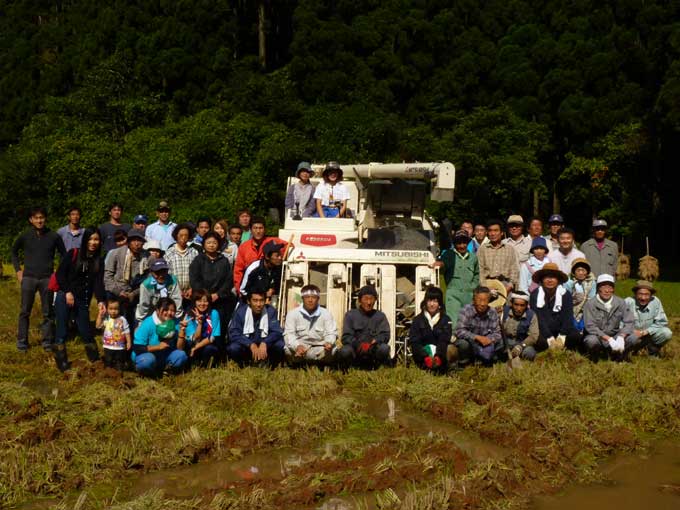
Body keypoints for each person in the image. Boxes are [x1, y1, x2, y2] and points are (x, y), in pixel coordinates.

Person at [12, 207, 66, 352]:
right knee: (25, 311)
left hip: (47, 279)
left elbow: (64, 255)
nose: (39, 220)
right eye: (36, 218)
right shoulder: (25, 236)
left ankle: (47, 342)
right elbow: (14, 252)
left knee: (48, 312)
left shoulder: (53, 236)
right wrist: (18, 270)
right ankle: (22, 342)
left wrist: (58, 273)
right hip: (28, 277)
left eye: (41, 217)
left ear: (45, 219)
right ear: (31, 220)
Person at [52, 228, 107, 370]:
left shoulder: (99, 261)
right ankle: (62, 363)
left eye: (96, 239)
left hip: (82, 300)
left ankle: (95, 361)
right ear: (85, 240)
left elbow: (98, 283)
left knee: (86, 331)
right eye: (90, 239)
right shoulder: (73, 254)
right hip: (65, 296)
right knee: (62, 330)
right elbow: (60, 275)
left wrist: (101, 300)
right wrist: (68, 292)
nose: (93, 242)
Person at [529, 263, 581, 353]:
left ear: (558, 280)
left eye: (553, 277)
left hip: (561, 329)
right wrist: (550, 338)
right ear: (541, 280)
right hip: (543, 330)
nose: (550, 280)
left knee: (575, 336)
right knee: (539, 341)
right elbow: (538, 319)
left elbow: (568, 317)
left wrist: (562, 336)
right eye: (546, 277)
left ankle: (565, 350)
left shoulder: (565, 294)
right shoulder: (535, 295)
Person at [227, 286, 284, 367]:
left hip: (264, 346)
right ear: (248, 301)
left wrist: (265, 343)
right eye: (255, 301)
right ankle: (245, 363)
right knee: (233, 348)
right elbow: (234, 333)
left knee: (280, 344)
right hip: (247, 346)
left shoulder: (270, 311)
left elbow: (277, 331)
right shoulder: (240, 312)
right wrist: (250, 344)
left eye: (261, 301)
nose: (258, 304)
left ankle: (269, 364)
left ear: (265, 301)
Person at [189, 231, 235, 333]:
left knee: (219, 330)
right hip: (202, 301)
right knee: (202, 328)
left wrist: (218, 294)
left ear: (218, 244)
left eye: (214, 242)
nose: (211, 245)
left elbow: (229, 280)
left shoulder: (224, 261)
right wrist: (205, 296)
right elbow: (194, 279)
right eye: (208, 242)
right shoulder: (198, 260)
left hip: (220, 301)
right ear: (204, 244)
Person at [583, 274, 635, 361]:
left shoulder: (620, 302)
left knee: (633, 338)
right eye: (603, 287)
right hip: (598, 337)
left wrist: (621, 337)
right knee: (591, 341)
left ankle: (620, 355)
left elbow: (629, 321)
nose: (607, 290)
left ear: (613, 289)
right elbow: (590, 326)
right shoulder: (590, 304)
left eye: (610, 287)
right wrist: (608, 339)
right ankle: (595, 356)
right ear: (598, 288)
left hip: (615, 335)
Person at [104, 228, 149, 327]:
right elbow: (108, 277)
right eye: (133, 240)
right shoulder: (116, 253)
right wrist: (119, 292)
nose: (136, 244)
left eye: (139, 241)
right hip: (116, 292)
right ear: (128, 242)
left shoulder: (147, 256)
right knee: (115, 323)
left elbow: (148, 280)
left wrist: (134, 293)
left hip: (136, 293)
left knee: (133, 322)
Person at [338, 286, 392, 368]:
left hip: (373, 349)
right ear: (359, 300)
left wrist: (376, 341)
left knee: (384, 348)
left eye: (372, 299)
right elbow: (346, 337)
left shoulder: (380, 316)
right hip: (356, 349)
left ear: (375, 300)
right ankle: (350, 368)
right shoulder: (350, 315)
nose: (369, 302)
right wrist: (358, 344)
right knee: (345, 351)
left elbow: (385, 334)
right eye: (366, 299)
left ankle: (378, 367)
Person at [132, 298, 189, 376]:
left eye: (172, 310)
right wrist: (158, 347)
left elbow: (180, 348)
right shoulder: (148, 323)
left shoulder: (176, 323)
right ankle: (148, 373)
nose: (169, 313)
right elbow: (137, 347)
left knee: (181, 355)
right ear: (158, 310)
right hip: (146, 354)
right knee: (147, 361)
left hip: (165, 355)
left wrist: (182, 331)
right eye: (165, 309)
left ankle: (166, 370)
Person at [283, 284, 338, 366]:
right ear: (302, 298)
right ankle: (299, 364)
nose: (310, 300)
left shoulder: (326, 314)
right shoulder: (292, 314)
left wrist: (328, 342)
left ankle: (320, 364)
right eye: (307, 297)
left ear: (318, 299)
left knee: (333, 350)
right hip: (300, 347)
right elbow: (289, 334)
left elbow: (331, 333)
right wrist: (297, 346)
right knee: (287, 349)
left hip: (319, 347)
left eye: (314, 297)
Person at [233, 217, 288, 294]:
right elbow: (238, 270)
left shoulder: (272, 242)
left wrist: (278, 255)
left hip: (269, 287)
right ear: (251, 230)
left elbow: (289, 246)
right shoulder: (244, 247)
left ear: (265, 229)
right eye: (255, 228)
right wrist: (239, 290)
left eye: (260, 228)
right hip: (250, 288)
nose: (258, 231)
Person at [435, 230, 479, 324]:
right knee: (453, 322)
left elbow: (476, 274)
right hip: (453, 295)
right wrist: (439, 264)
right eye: (459, 243)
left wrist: (473, 287)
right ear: (454, 243)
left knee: (468, 322)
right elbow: (444, 263)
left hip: (469, 295)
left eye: (464, 242)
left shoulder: (473, 257)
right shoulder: (449, 254)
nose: (462, 246)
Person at [453, 286, 502, 366]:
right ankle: (464, 364)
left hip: (486, 343)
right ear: (473, 300)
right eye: (479, 300)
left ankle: (488, 361)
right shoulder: (466, 310)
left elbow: (497, 333)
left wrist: (489, 339)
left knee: (500, 343)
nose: (482, 304)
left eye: (485, 300)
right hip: (471, 342)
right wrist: (477, 337)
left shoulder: (492, 312)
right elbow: (459, 331)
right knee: (463, 344)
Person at [409, 286, 454, 373]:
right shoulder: (417, 320)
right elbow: (415, 342)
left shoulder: (446, 320)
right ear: (425, 302)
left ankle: (447, 370)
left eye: (435, 301)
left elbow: (443, 340)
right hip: (423, 357)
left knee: (451, 349)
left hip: (440, 356)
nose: (432, 304)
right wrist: (425, 357)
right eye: (429, 301)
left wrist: (438, 356)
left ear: (440, 304)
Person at [625, 280, 673, 357]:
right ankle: (628, 353)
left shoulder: (656, 301)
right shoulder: (628, 302)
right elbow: (619, 322)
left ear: (651, 295)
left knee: (667, 333)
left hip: (648, 335)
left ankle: (652, 351)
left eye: (647, 294)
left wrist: (646, 332)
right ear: (635, 294)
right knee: (627, 339)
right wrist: (632, 331)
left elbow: (661, 322)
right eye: (640, 294)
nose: (643, 298)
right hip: (631, 334)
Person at [477, 219, 519, 292]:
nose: (492, 233)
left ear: (502, 233)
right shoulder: (482, 249)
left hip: (506, 285)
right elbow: (479, 270)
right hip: (487, 284)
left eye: (496, 230)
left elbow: (514, 270)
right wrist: (485, 287)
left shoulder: (509, 249)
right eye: (490, 231)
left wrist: (509, 286)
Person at [184, 289, 221, 367]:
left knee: (210, 349)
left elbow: (213, 337)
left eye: (205, 301)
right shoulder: (189, 315)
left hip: (207, 344)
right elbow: (194, 338)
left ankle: (206, 365)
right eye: (199, 301)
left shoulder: (214, 313)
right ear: (194, 302)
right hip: (194, 344)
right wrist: (200, 324)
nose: (202, 304)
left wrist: (196, 347)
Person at [164, 223, 198, 308]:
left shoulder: (194, 252)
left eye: (186, 235)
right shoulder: (169, 253)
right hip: (174, 293)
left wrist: (191, 288)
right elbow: (167, 274)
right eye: (181, 235)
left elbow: (197, 273)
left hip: (191, 293)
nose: (183, 238)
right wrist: (177, 291)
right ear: (176, 236)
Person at [501, 291, 540, 361]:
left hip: (521, 342)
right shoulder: (504, 311)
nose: (519, 309)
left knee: (530, 353)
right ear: (511, 303)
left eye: (522, 305)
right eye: (516, 304)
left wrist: (521, 346)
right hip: (505, 341)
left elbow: (533, 336)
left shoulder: (531, 315)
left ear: (526, 305)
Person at [96, 297, 132, 371]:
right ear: (107, 309)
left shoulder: (122, 319)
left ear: (119, 309)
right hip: (108, 346)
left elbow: (127, 331)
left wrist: (128, 342)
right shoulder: (106, 319)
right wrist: (100, 315)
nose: (113, 311)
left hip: (119, 346)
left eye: (116, 309)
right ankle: (108, 373)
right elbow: (98, 326)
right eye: (111, 309)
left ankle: (119, 372)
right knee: (108, 360)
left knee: (119, 361)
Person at [564, 258, 596, 332]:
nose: (581, 273)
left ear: (587, 272)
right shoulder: (569, 282)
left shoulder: (592, 282)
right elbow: (566, 300)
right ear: (573, 272)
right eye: (578, 270)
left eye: (583, 270)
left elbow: (591, 299)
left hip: (586, 310)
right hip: (571, 309)